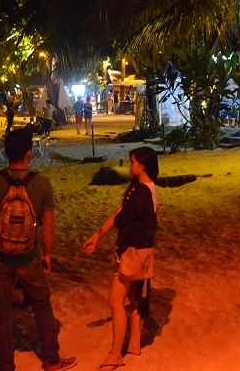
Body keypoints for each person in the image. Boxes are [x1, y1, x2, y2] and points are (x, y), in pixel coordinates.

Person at [0, 129, 77, 371]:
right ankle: (51, 359)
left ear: (6, 153)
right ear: (29, 153)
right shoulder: (41, 183)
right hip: (29, 258)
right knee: (42, 304)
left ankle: (4, 365)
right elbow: (48, 223)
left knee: (1, 311)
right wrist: (47, 254)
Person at [82, 147, 160, 369]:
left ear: (142, 166)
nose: (130, 166)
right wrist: (98, 234)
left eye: (133, 162)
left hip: (132, 253)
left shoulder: (141, 192)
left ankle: (116, 354)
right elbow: (122, 213)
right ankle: (134, 344)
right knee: (136, 299)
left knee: (115, 301)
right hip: (143, 252)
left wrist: (100, 234)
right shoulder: (149, 190)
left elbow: (122, 216)